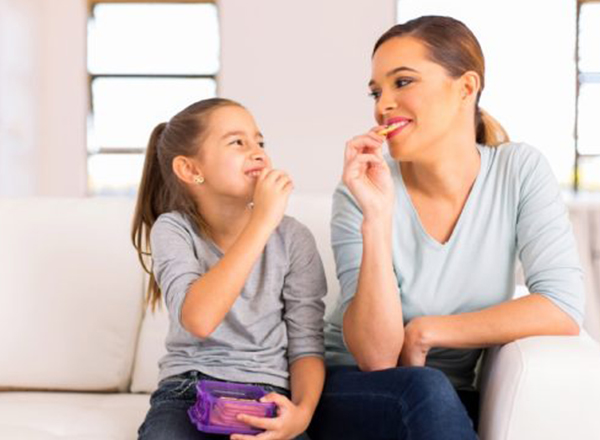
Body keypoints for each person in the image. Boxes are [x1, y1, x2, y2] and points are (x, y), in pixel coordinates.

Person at [308, 15, 585, 440]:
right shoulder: (359, 193)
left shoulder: (519, 170)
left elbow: (561, 307)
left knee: (434, 392)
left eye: (402, 83)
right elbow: (377, 359)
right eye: (376, 91)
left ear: (466, 87)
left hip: (444, 402)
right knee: (425, 388)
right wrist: (378, 218)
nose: (382, 104)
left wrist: (427, 331)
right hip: (353, 390)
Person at [132, 98, 327, 440]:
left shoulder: (294, 238)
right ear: (191, 170)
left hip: (268, 395)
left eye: (260, 142)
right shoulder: (174, 230)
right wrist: (263, 221)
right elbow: (200, 319)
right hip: (187, 391)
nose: (258, 152)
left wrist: (302, 415)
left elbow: (306, 345)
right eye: (238, 142)